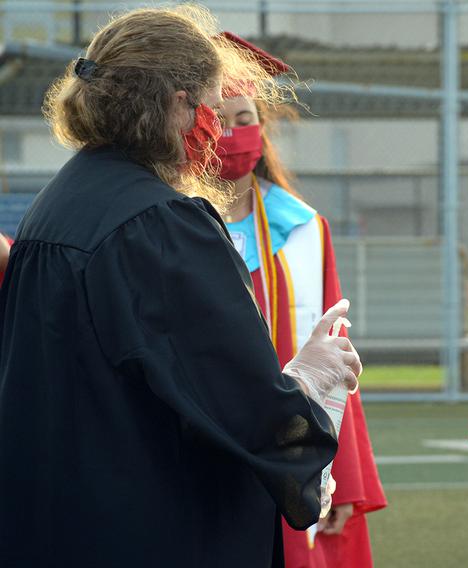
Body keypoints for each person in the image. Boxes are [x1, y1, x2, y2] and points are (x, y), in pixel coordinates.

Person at [0, 7, 361, 567]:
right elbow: (232, 395)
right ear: (175, 102)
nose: (218, 128)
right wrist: (308, 384)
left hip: (58, 517)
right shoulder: (159, 223)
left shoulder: (58, 204)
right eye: (213, 108)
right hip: (148, 524)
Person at [214, 33, 386, 568]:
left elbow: (338, 359)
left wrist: (346, 475)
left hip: (292, 444)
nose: (233, 133)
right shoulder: (164, 226)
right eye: (217, 119)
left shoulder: (303, 229)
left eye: (244, 118)